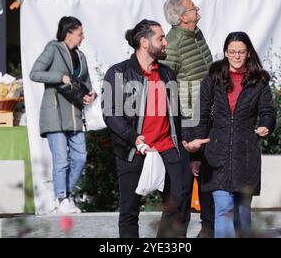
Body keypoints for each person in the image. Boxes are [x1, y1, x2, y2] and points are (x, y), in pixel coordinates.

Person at [184, 32, 276, 238]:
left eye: (241, 52)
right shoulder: (212, 79)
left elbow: (268, 112)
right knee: (223, 208)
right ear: (225, 52)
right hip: (216, 153)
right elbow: (202, 115)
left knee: (242, 212)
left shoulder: (259, 81)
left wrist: (266, 125)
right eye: (232, 51)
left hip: (246, 153)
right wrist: (196, 155)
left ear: (248, 53)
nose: (236, 56)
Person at [102, 19, 186, 238]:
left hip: (168, 148)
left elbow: (177, 115)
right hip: (134, 150)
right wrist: (134, 138)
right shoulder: (118, 73)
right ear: (145, 42)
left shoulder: (168, 74)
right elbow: (110, 113)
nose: (166, 42)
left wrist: (185, 141)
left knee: (177, 205)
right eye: (160, 38)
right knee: (129, 211)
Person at [30, 16, 97, 214]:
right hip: (55, 113)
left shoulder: (81, 56)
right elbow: (35, 73)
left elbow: (86, 81)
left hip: (75, 114)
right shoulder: (53, 48)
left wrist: (92, 94)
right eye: (80, 33)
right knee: (61, 160)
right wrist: (60, 77)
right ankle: (62, 198)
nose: (83, 37)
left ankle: (62, 197)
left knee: (81, 157)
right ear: (69, 34)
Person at [161, 0, 214, 237]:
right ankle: (174, 235)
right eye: (193, 8)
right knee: (182, 181)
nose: (197, 9)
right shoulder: (173, 43)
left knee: (207, 173)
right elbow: (166, 86)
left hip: (207, 115)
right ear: (183, 17)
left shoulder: (197, 34)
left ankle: (207, 228)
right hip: (187, 119)